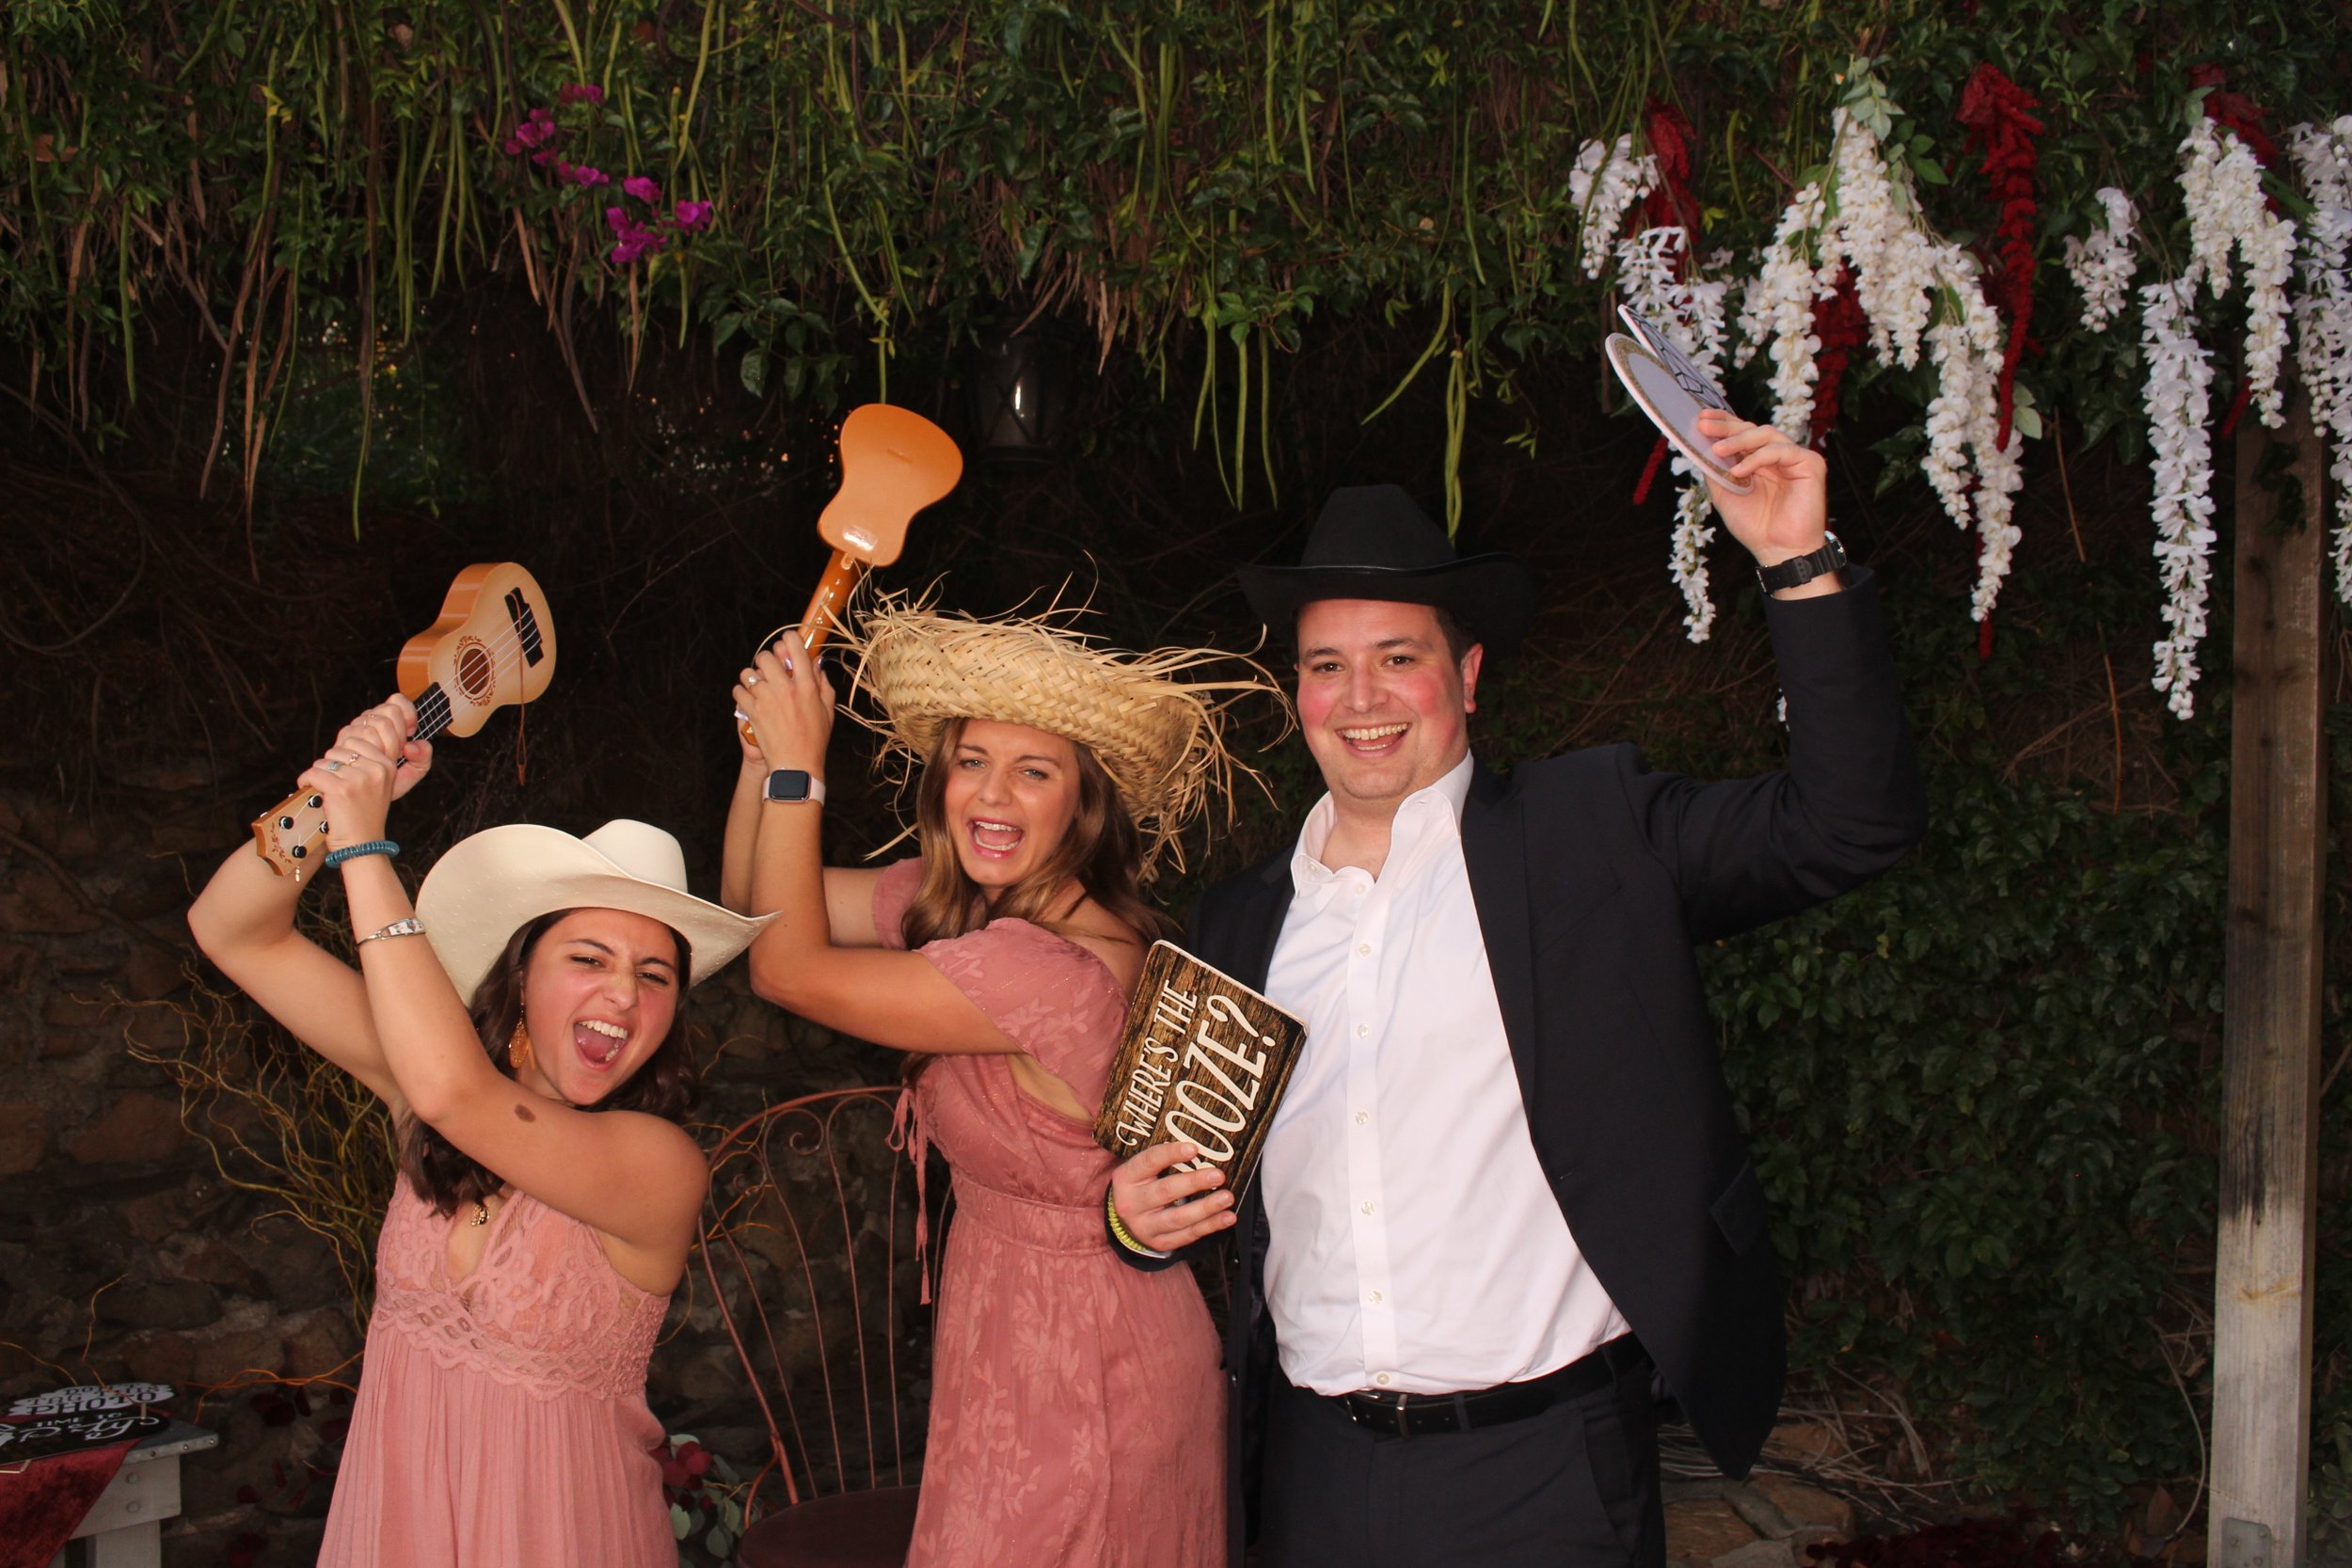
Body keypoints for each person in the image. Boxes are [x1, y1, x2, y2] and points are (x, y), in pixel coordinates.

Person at [1107, 408, 1930, 1568]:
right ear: (1296, 691)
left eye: (1399, 657)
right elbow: (1183, 1178)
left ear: (1467, 674)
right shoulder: (1238, 921)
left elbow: (1852, 824)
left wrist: (1797, 562)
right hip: (1311, 1474)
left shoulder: (1592, 835)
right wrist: (1134, 1220)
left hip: (1546, 1474)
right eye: (1327, 665)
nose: (1361, 697)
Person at [723, 598, 1262, 1568]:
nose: (992, 794)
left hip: (1090, 1352)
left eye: (1034, 771)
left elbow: (783, 969)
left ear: (1083, 804)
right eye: (972, 760)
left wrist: (806, 769)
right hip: (1012, 1330)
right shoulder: (972, 912)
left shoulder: (1046, 967)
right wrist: (765, 762)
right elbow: (753, 907)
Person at [187, 694, 770, 1568]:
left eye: (655, 975)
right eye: (589, 958)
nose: (623, 993)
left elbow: (454, 1092)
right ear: (522, 974)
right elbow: (232, 931)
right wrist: (335, 795)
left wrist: (365, 847)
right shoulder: (428, 1086)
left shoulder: (657, 1163)